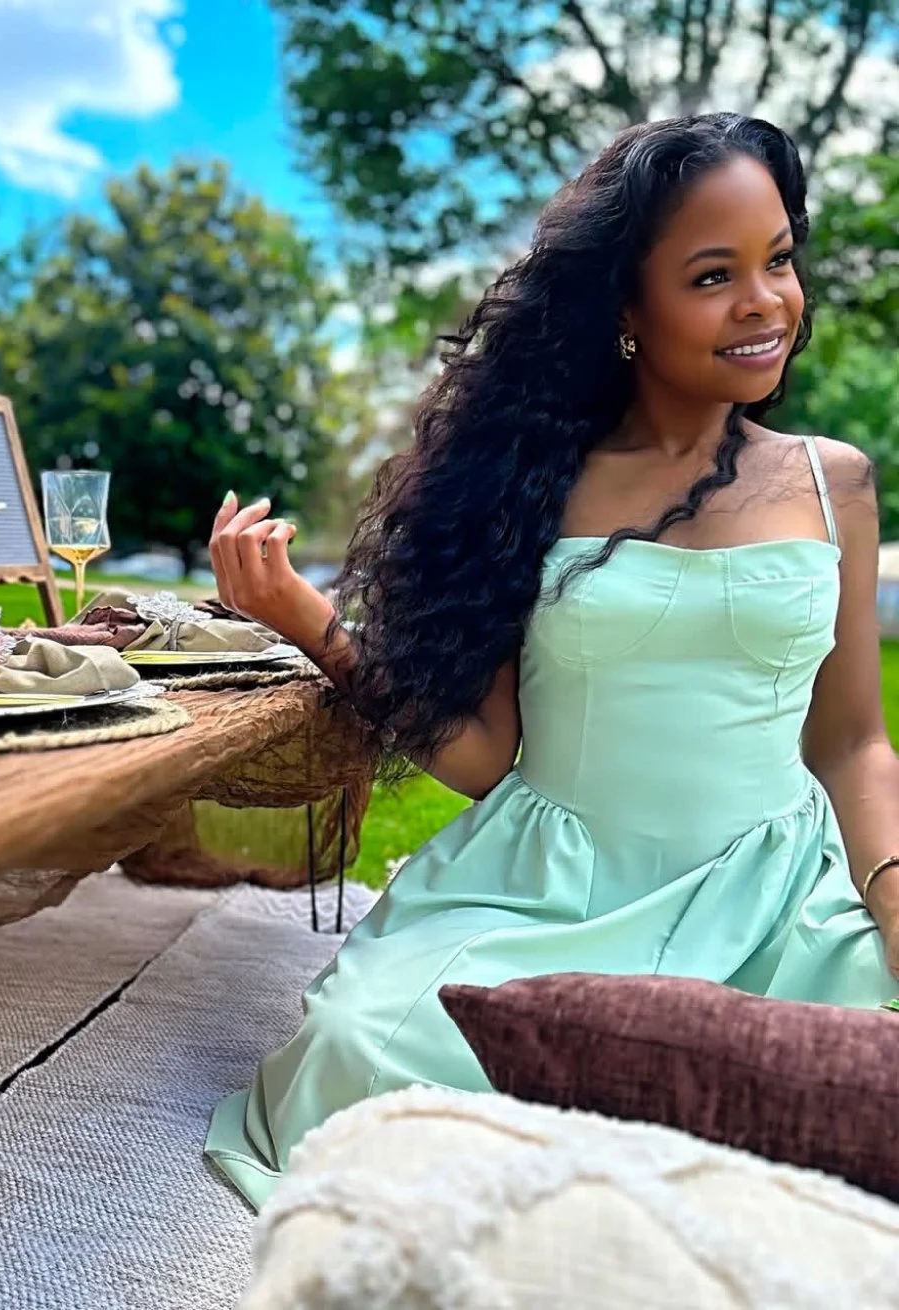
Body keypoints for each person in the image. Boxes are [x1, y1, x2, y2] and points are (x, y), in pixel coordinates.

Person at [201, 112, 899, 1212]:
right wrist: (304, 616)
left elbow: (853, 737)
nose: (765, 300)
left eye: (778, 259)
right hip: (548, 888)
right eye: (714, 274)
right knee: (363, 1045)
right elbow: (486, 756)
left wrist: (891, 892)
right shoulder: (531, 486)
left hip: (778, 893)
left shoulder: (834, 483)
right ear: (625, 305)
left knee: (851, 1072)